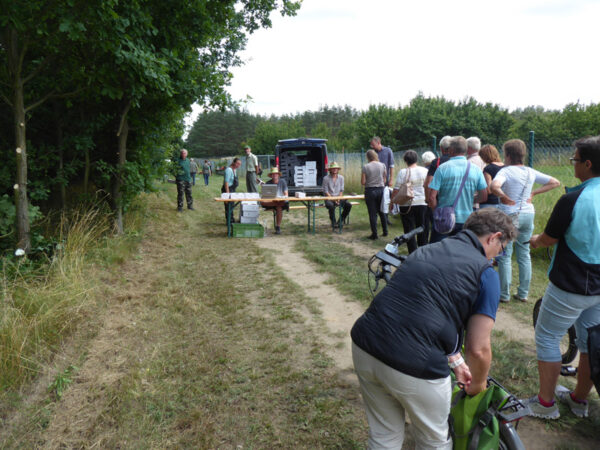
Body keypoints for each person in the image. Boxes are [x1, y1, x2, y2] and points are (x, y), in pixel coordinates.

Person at [351, 208, 517, 449]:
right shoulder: (485, 274)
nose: (494, 258)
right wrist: (478, 386)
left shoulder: (426, 250)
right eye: (499, 251)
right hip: (415, 365)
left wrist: (455, 361)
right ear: (494, 237)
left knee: (383, 435)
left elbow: (424, 312)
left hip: (365, 345)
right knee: (434, 440)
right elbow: (478, 348)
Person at [524, 136, 600, 420]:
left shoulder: (573, 199)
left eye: (575, 159)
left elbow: (548, 238)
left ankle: (545, 405)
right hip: (598, 289)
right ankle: (579, 400)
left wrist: (534, 241)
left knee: (547, 336)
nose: (573, 165)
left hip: (570, 283)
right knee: (590, 342)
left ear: (588, 164)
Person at [490, 139, 560, 302]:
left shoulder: (505, 172)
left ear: (507, 155)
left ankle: (504, 294)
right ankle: (523, 293)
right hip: (528, 214)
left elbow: (494, 186)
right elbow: (554, 182)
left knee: (505, 254)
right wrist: (534, 193)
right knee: (524, 253)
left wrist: (503, 196)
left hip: (509, 215)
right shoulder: (530, 171)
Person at [427, 136, 488, 242]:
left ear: (451, 150)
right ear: (465, 150)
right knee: (461, 252)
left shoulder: (442, 168)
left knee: (437, 252)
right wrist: (471, 200)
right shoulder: (476, 170)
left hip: (444, 218)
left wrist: (436, 211)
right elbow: (484, 196)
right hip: (466, 219)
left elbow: (432, 197)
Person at [391, 150, 428, 253]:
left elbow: (396, 189)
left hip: (407, 204)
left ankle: (412, 252)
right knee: (422, 228)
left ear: (405, 160)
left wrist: (392, 202)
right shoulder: (425, 171)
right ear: (417, 159)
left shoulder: (403, 172)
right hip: (422, 202)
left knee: (409, 230)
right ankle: (423, 251)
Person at [362, 150, 387, 240]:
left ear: (368, 157)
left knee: (372, 213)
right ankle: (385, 231)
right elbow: (384, 179)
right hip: (381, 190)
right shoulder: (383, 165)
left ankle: (375, 234)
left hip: (370, 190)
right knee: (382, 211)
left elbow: (363, 181)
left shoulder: (366, 167)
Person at [370, 136, 395, 225]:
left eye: (373, 145)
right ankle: (375, 219)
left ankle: (386, 219)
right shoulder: (372, 153)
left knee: (385, 200)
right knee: (376, 200)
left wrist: (391, 179)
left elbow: (391, 166)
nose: (372, 146)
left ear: (379, 143)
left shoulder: (388, 151)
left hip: (385, 181)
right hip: (375, 181)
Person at [322, 162, 352, 229]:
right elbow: (326, 191)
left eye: (336, 168)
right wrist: (334, 199)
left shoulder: (341, 178)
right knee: (331, 206)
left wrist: (338, 199)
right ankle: (333, 222)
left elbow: (341, 190)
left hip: (339, 197)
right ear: (330, 170)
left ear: (338, 169)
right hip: (329, 198)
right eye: (333, 168)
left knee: (348, 205)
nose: (335, 169)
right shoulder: (325, 178)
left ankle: (340, 221)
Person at [261, 167, 288, 235]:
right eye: (273, 174)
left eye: (276, 174)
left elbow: (286, 194)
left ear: (278, 175)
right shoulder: (268, 183)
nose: (274, 175)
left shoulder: (283, 182)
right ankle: (278, 227)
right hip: (272, 202)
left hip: (280, 201)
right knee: (262, 202)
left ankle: (278, 227)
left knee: (279, 207)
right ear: (271, 176)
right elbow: (264, 196)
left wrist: (281, 198)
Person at [479, 144, 504, 209]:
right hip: (503, 202)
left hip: (490, 203)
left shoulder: (488, 169)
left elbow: (489, 190)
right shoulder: (506, 167)